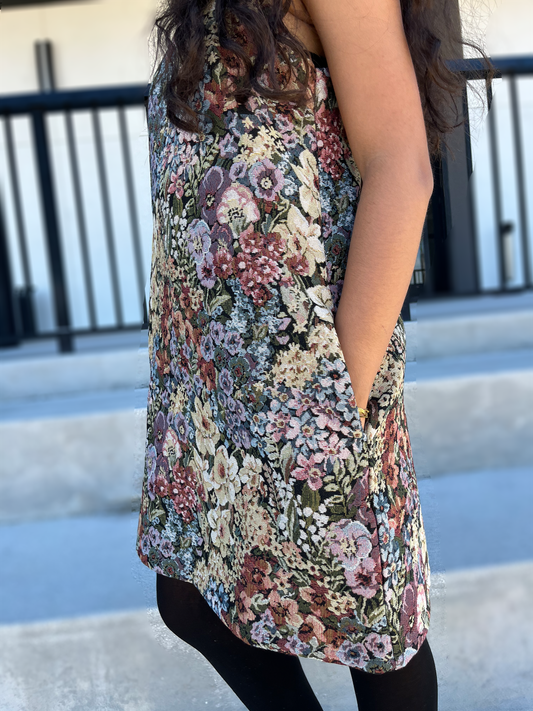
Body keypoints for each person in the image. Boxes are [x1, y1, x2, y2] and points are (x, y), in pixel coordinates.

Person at [136, 1, 493, 709]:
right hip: (209, 375)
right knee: (189, 594)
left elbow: (401, 169)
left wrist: (334, 402)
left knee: (370, 619)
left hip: (308, 370)